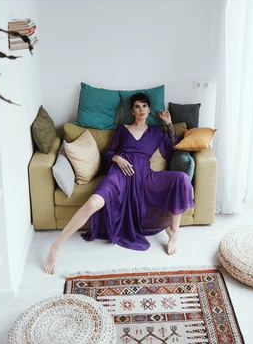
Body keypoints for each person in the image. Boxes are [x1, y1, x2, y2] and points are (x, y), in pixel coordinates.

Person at [44, 93, 194, 274]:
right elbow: (109, 154)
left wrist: (169, 123)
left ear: (149, 109)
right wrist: (117, 158)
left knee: (182, 179)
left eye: (144, 106)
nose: (141, 110)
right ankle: (56, 246)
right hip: (119, 173)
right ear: (132, 111)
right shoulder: (122, 129)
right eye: (137, 106)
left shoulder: (156, 132)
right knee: (93, 203)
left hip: (144, 177)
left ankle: (173, 230)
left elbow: (173, 148)